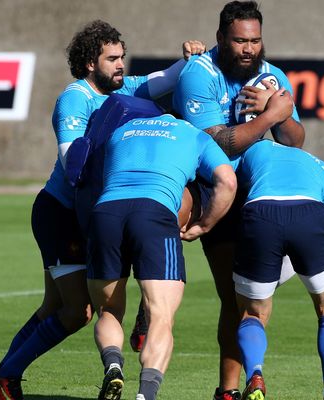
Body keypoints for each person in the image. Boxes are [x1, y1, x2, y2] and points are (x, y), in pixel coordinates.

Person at [0, 20, 206, 400]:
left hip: (97, 210)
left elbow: (164, 79)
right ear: (89, 64)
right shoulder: (76, 98)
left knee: (54, 305)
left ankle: (3, 381)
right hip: (63, 213)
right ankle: (3, 378)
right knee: (76, 311)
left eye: (122, 57)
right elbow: (73, 165)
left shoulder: (123, 89)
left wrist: (194, 58)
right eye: (112, 58)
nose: (121, 65)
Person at [170, 2, 305, 398]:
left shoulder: (272, 76)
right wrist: (266, 118)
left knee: (252, 300)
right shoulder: (200, 74)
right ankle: (227, 391)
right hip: (211, 189)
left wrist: (279, 113)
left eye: (255, 40)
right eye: (240, 40)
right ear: (221, 39)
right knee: (233, 296)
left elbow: (295, 142)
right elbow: (219, 143)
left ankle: (237, 386)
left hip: (257, 195)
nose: (249, 48)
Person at [87, 108, 237, 400]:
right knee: (161, 316)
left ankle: (113, 364)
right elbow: (227, 181)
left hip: (106, 212)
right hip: (154, 213)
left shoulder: (122, 131)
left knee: (108, 311)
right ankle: (146, 394)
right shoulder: (193, 134)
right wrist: (205, 224)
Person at [231, 139, 324, 400]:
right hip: (311, 212)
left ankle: (255, 375)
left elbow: (230, 185)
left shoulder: (251, 151)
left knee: (252, 313)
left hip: (260, 213)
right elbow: (321, 215)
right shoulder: (322, 167)